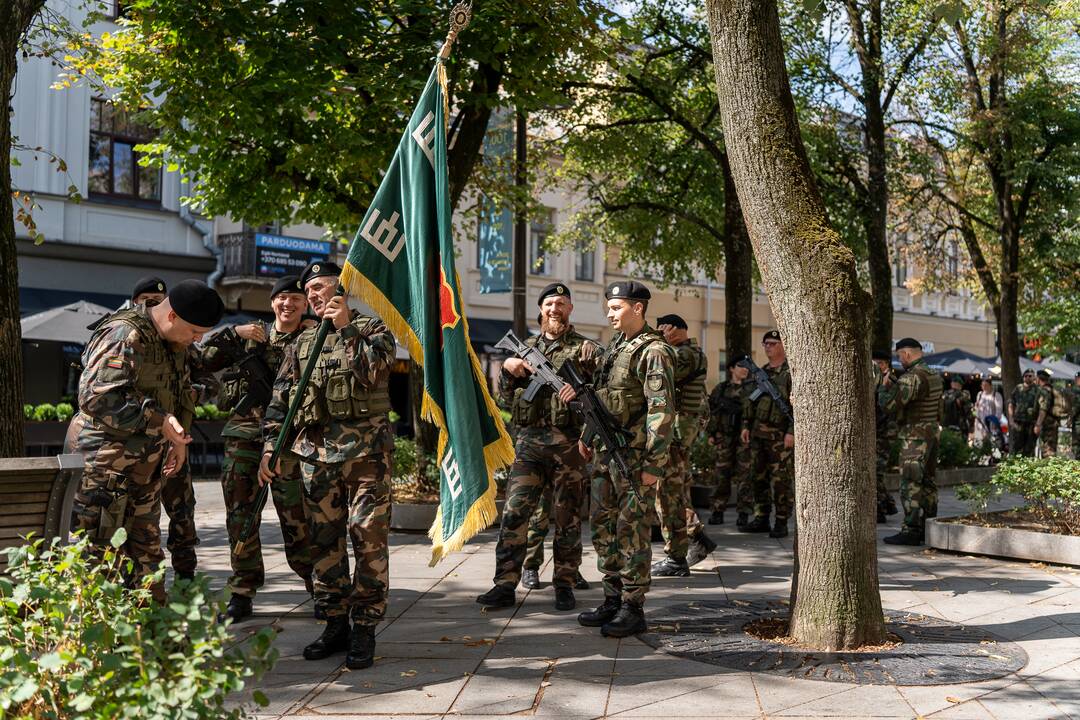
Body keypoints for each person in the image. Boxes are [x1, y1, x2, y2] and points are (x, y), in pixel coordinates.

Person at [259, 261, 395, 670]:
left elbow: (375, 369)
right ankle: (335, 622)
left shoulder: (372, 330)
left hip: (366, 457)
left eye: (321, 286)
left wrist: (346, 327)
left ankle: (366, 626)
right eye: (309, 289)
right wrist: (270, 447)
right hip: (315, 458)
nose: (314, 294)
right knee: (324, 544)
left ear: (343, 288)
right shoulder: (302, 343)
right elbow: (281, 400)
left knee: (368, 538)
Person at [68, 280, 224, 599]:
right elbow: (95, 397)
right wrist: (159, 420)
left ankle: (148, 637)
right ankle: (93, 642)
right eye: (195, 332)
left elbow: (177, 394)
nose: (198, 340)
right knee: (97, 564)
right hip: (104, 473)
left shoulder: (174, 344)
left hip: (145, 471)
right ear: (171, 317)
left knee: (147, 563)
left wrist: (176, 440)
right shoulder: (124, 334)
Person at [476, 283, 599, 612]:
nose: (554, 309)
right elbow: (505, 398)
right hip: (528, 445)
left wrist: (581, 390)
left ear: (571, 309)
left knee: (568, 517)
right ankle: (504, 584)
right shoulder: (524, 348)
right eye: (549, 303)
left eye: (561, 303)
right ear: (540, 309)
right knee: (514, 514)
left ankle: (565, 582)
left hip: (569, 446)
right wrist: (507, 369)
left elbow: (600, 398)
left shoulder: (585, 350)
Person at [199, 275, 315, 621]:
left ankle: (317, 584)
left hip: (289, 440)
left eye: (296, 299)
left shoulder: (313, 338)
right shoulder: (253, 338)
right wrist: (235, 333)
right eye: (282, 298)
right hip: (245, 435)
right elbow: (203, 357)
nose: (288, 304)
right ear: (272, 303)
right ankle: (242, 590)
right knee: (240, 514)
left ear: (305, 305)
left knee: (297, 516)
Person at [576, 281, 674, 638]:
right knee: (602, 527)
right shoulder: (617, 348)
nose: (609, 313)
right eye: (609, 307)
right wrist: (587, 436)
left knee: (630, 531)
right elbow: (602, 401)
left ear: (638, 308)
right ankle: (612, 599)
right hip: (605, 454)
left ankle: (633, 607)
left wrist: (653, 465)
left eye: (616, 308)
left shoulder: (654, 351)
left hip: (633, 459)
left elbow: (661, 412)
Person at [650, 314, 715, 577]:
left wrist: (653, 340)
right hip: (673, 431)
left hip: (675, 433)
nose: (659, 333)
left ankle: (676, 557)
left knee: (666, 492)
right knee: (675, 489)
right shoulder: (681, 352)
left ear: (675, 329)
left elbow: (661, 368)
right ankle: (697, 538)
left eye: (662, 329)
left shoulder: (688, 354)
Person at [879, 338, 942, 546]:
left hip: (915, 436)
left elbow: (889, 405)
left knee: (911, 482)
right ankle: (929, 526)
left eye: (899, 356)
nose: (899, 360)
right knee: (928, 482)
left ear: (906, 353)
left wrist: (883, 386)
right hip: (931, 433)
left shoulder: (912, 377)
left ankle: (911, 529)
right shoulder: (933, 374)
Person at [739, 330, 795, 539]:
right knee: (757, 477)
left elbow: (797, 407)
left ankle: (781, 521)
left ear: (782, 345)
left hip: (780, 436)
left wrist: (791, 432)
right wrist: (745, 425)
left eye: (772, 343)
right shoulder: (760, 372)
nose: (768, 347)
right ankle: (761, 516)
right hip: (757, 434)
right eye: (765, 344)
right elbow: (749, 402)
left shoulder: (790, 373)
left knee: (781, 480)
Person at [705, 358, 753, 527]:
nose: (744, 369)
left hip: (744, 440)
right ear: (732, 368)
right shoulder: (721, 389)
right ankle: (717, 511)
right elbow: (710, 411)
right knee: (721, 475)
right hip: (724, 438)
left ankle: (744, 513)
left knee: (745, 476)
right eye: (741, 365)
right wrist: (711, 433)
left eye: (747, 366)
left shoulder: (752, 388)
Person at [872, 351, 899, 524]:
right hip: (875, 432)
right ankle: (886, 505)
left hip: (886, 433)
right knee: (874, 472)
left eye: (878, 364)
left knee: (876, 471)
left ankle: (882, 507)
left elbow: (887, 407)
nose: (875, 367)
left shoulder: (891, 383)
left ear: (885, 365)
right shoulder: (874, 382)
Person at [1008, 369, 1042, 457]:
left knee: (1029, 448)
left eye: (1030, 376)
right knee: (1017, 447)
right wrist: (1011, 420)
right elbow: (1011, 404)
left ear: (1034, 377)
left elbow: (1042, 408)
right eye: (1025, 376)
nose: (1027, 377)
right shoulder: (1018, 388)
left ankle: (1028, 468)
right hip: (1018, 422)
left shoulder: (1038, 390)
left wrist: (1038, 424)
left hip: (1031, 423)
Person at [1036, 370, 1064, 457]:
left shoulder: (1045, 391)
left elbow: (1043, 408)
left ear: (1038, 379)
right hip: (1053, 423)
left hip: (1048, 425)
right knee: (1050, 449)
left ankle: (1049, 469)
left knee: (1048, 451)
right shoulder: (1052, 389)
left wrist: (1038, 424)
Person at [973, 378, 1004, 447]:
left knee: (990, 444)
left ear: (990, 386)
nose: (984, 387)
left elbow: (999, 410)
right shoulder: (980, 394)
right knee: (979, 443)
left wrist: (994, 422)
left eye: (986, 385)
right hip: (979, 423)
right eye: (983, 385)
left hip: (990, 423)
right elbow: (977, 408)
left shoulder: (996, 395)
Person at [1068, 372, 1080, 459]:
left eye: (1077, 378)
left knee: (1076, 445)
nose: (1076, 380)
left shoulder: (1077, 391)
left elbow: (1075, 407)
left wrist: (1070, 419)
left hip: (1078, 424)